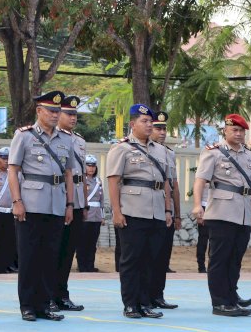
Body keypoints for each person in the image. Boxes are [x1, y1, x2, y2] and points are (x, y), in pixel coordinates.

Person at [8, 90, 76, 322]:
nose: (56, 115)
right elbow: (13, 170)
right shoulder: (24, 136)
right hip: (31, 202)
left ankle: (45, 304)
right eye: (51, 110)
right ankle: (27, 305)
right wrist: (17, 201)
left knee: (50, 256)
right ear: (39, 111)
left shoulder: (66, 139)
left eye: (58, 111)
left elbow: (68, 174)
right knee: (29, 256)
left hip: (57, 203)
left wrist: (69, 204)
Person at [106, 104, 174, 319]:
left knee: (150, 259)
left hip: (156, 211)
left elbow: (165, 183)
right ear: (132, 124)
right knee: (131, 259)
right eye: (144, 122)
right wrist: (117, 211)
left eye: (150, 122)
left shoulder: (160, 150)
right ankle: (130, 303)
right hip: (133, 210)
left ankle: (145, 302)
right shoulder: (122, 148)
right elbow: (114, 181)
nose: (149, 125)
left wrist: (168, 210)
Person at [192, 114, 251, 317]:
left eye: (241, 131)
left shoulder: (250, 156)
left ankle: (231, 298)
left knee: (235, 258)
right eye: (234, 130)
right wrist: (197, 205)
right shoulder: (213, 153)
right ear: (225, 131)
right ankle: (220, 302)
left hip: (244, 212)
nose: (238, 134)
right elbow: (200, 180)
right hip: (221, 211)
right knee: (220, 258)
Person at [51, 95, 86, 312]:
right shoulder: (53, 138)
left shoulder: (79, 141)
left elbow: (81, 174)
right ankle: (49, 294)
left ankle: (62, 294)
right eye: (68, 114)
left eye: (75, 114)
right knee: (54, 250)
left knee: (68, 252)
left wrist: (82, 202)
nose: (72, 118)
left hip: (78, 200)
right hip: (60, 198)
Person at [148, 111, 180, 309]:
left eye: (164, 128)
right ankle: (145, 296)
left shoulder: (169, 153)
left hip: (165, 210)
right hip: (148, 207)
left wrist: (176, 213)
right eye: (158, 128)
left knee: (162, 256)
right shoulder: (140, 150)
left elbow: (173, 185)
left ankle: (158, 294)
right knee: (147, 256)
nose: (162, 132)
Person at [76, 155, 104, 273]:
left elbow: (101, 200)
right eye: (88, 166)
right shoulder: (81, 181)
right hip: (85, 214)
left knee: (92, 243)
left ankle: (90, 265)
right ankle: (82, 265)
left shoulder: (98, 181)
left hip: (96, 216)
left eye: (93, 166)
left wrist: (102, 216)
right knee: (82, 242)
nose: (91, 168)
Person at [196, 183, 210, 273]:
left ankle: (212, 265)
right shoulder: (203, 175)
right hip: (204, 207)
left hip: (216, 208)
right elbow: (198, 190)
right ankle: (201, 266)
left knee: (215, 240)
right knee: (203, 239)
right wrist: (199, 213)